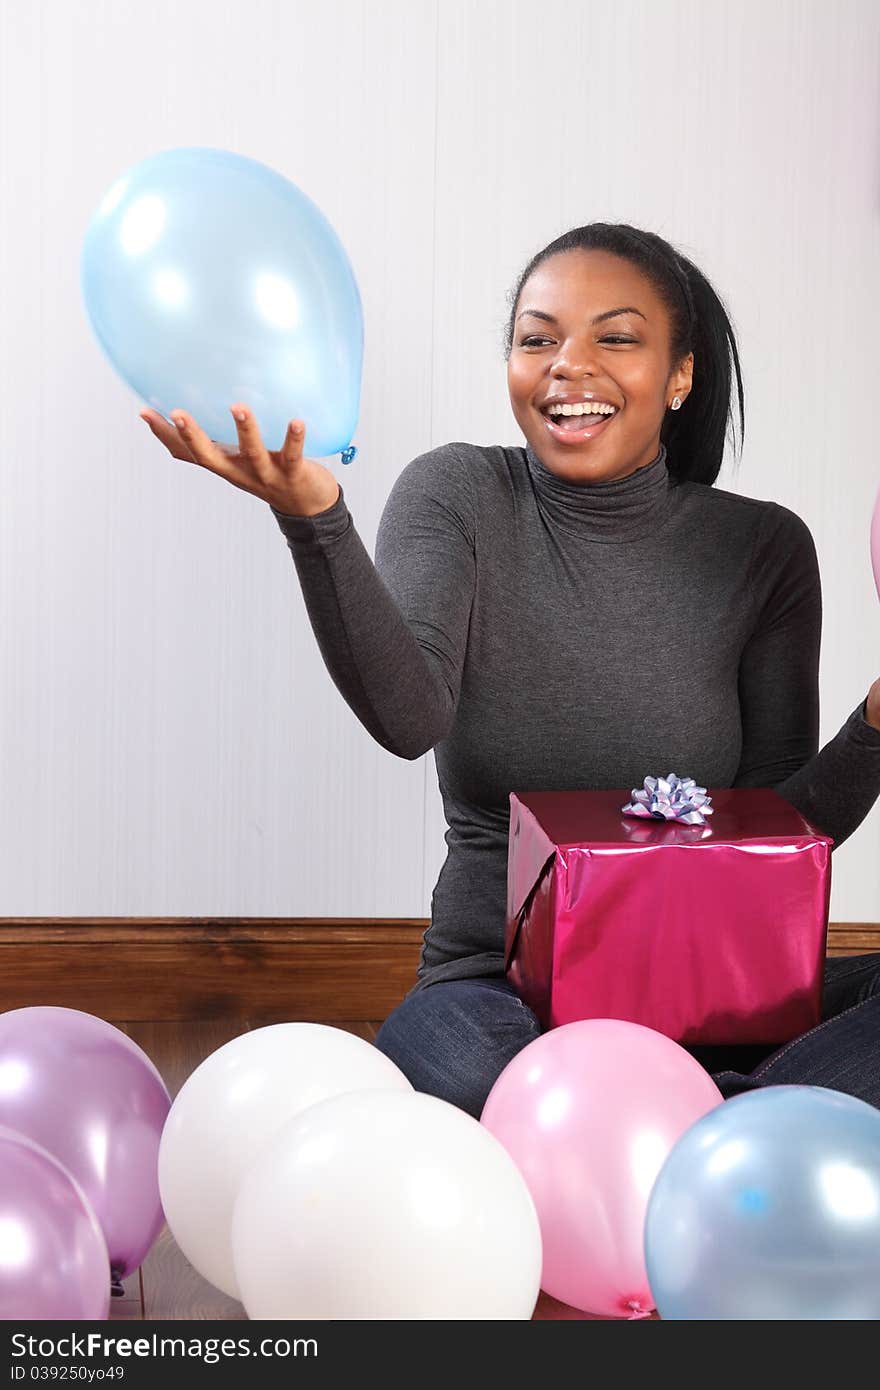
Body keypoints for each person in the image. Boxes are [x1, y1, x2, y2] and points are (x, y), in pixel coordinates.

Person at [141, 222, 880, 1119]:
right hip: (495, 996)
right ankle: (740, 1125)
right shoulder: (457, 495)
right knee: (453, 1065)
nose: (568, 365)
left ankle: (659, 1123)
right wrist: (317, 521)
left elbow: (780, 838)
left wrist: (876, 724)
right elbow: (409, 720)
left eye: (615, 337)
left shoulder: (762, 546)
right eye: (538, 339)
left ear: (679, 375)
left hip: (707, 994)